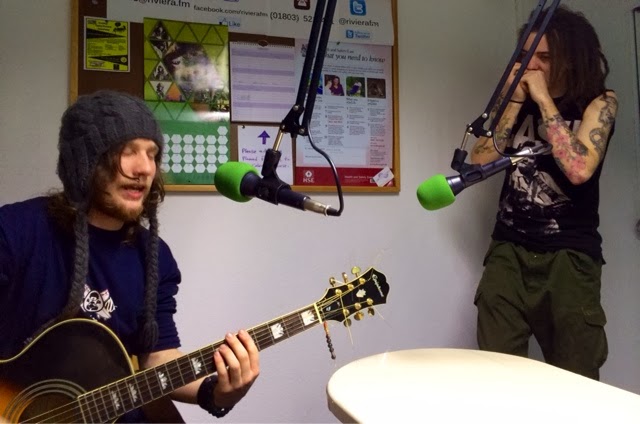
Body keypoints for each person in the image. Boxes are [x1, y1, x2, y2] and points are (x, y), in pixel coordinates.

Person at [0, 90, 260, 421]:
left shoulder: (155, 256)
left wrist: (217, 392)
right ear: (85, 162)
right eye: (127, 151)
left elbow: (157, 357)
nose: (144, 168)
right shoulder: (15, 232)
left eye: (152, 154)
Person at [470, 5, 618, 380]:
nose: (530, 66)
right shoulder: (514, 99)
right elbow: (479, 160)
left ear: (571, 58)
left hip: (570, 255)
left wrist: (543, 101)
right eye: (524, 55)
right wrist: (515, 102)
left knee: (576, 376)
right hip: (509, 248)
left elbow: (579, 169)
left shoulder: (600, 102)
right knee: (497, 369)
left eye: (545, 57)